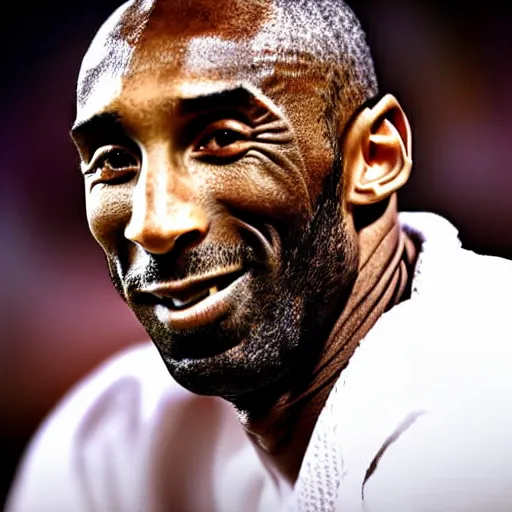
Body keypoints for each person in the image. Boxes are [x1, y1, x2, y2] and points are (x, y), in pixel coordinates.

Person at [7, 0, 512, 510]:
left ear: (374, 158)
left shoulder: (484, 402)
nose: (153, 224)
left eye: (222, 140)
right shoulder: (112, 439)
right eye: (114, 161)